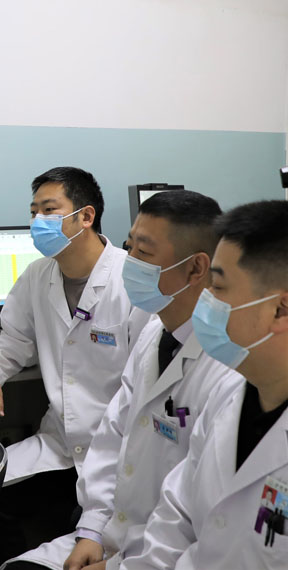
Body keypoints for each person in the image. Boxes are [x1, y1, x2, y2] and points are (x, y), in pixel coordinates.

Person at [3, 190, 244, 570]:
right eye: (129, 246)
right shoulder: (155, 335)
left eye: (143, 253)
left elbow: (205, 523)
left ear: (196, 268)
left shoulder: (228, 373)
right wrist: (92, 530)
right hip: (112, 535)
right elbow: (112, 435)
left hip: (163, 557)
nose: (128, 262)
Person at [0, 167, 150, 568]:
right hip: (59, 444)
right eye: (33, 212)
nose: (37, 221)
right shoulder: (39, 275)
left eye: (49, 210)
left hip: (115, 453)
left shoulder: (130, 282)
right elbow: (14, 340)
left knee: (83, 529)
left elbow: (145, 383)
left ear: (85, 216)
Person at [122, 200, 288, 569]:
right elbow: (176, 515)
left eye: (218, 286)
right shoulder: (232, 397)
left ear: (280, 310)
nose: (205, 298)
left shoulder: (223, 379)